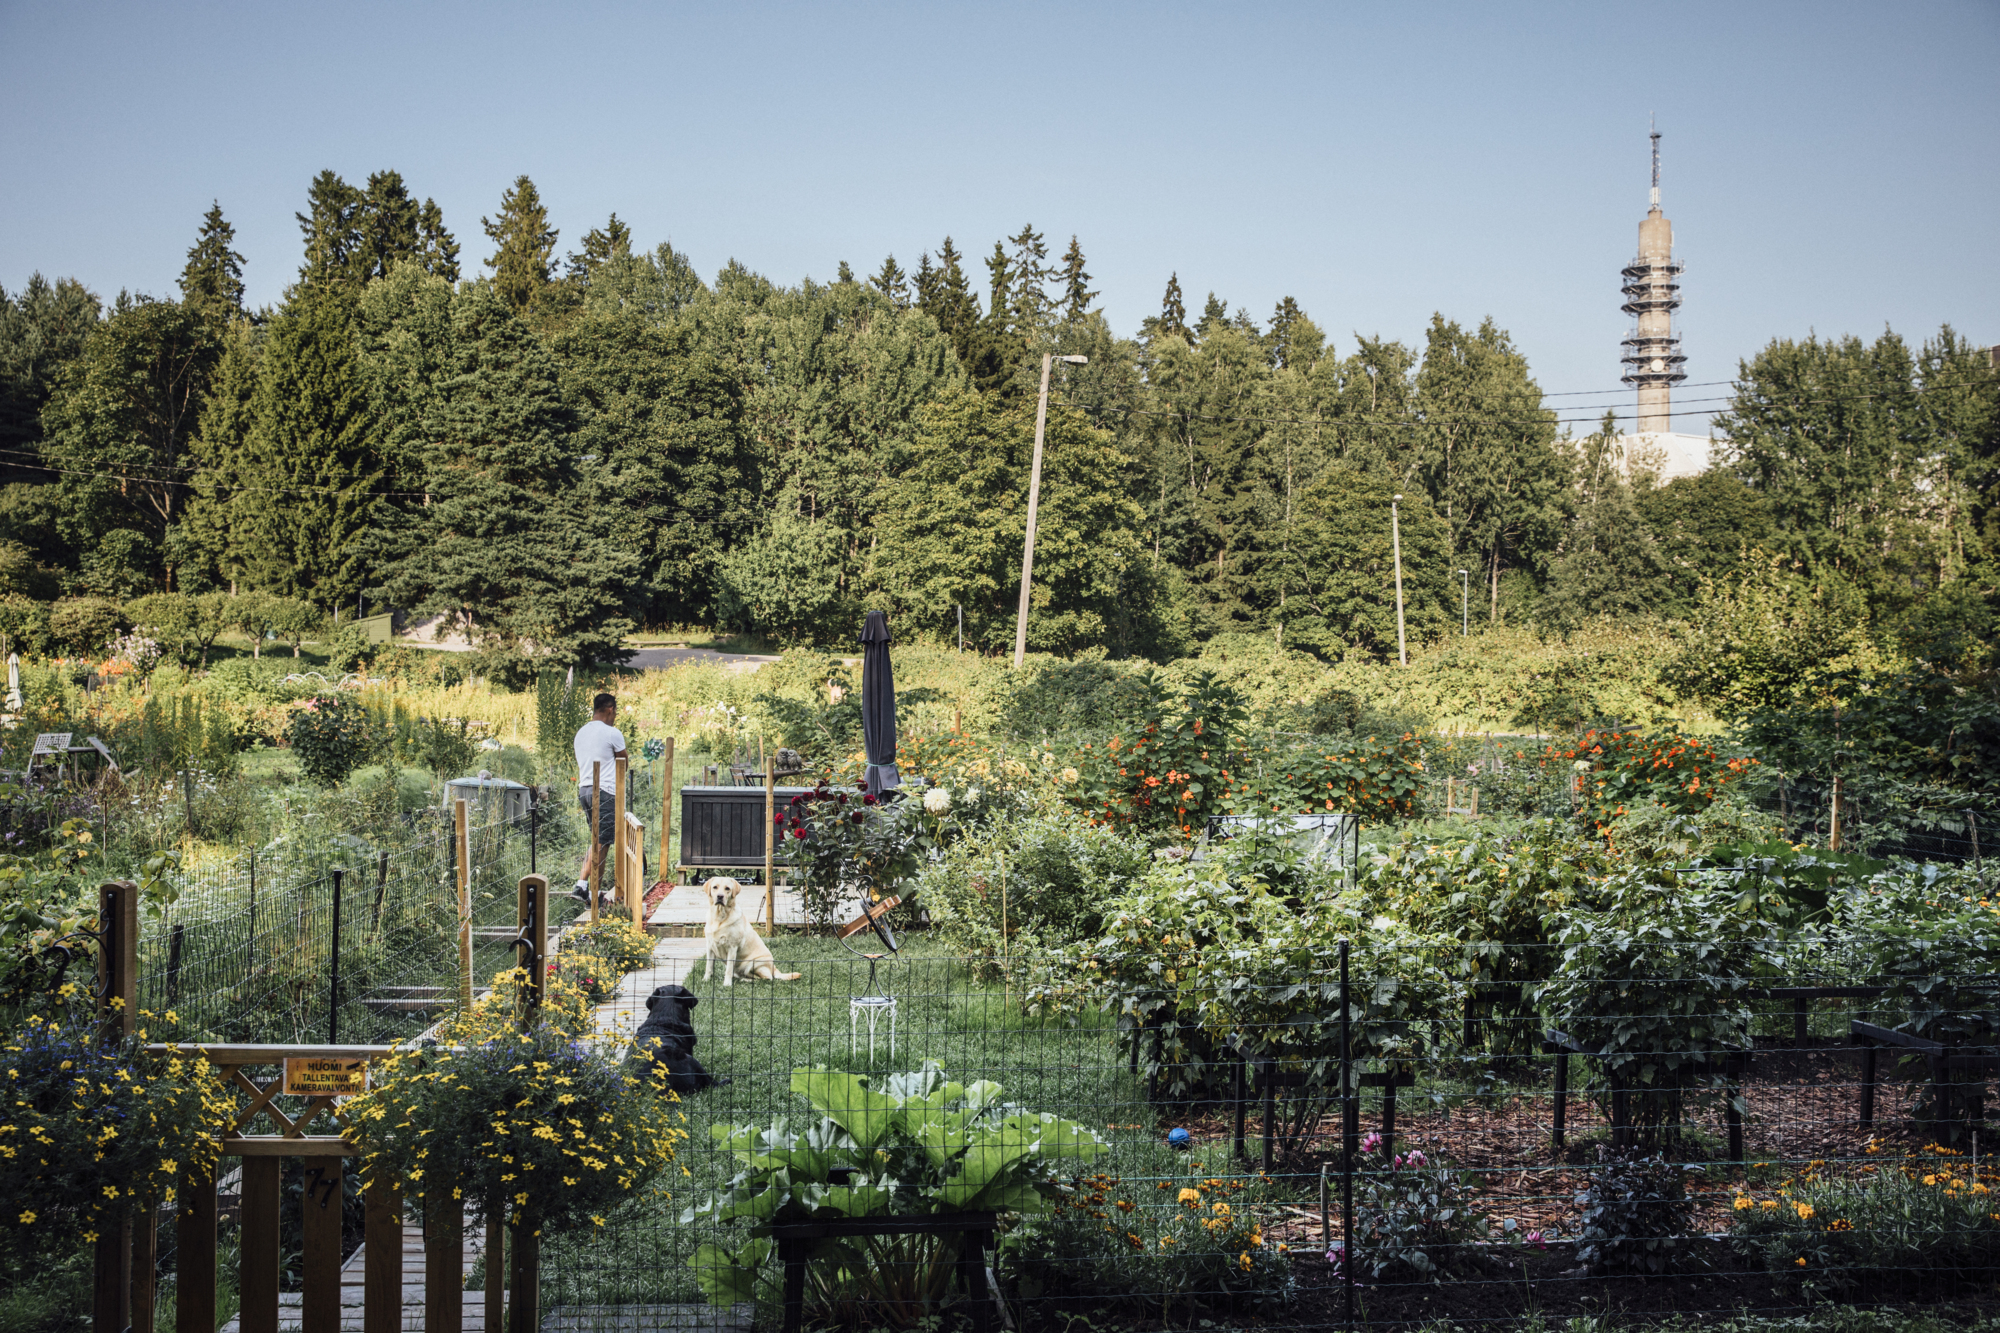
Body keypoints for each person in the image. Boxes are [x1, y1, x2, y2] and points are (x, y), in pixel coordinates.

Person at [573, 692, 627, 905]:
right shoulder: (612, 733)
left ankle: (595, 894)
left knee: (601, 843)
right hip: (604, 791)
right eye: (615, 712)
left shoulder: (581, 732)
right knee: (601, 841)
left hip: (584, 788)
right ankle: (581, 884)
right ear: (611, 709)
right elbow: (623, 762)